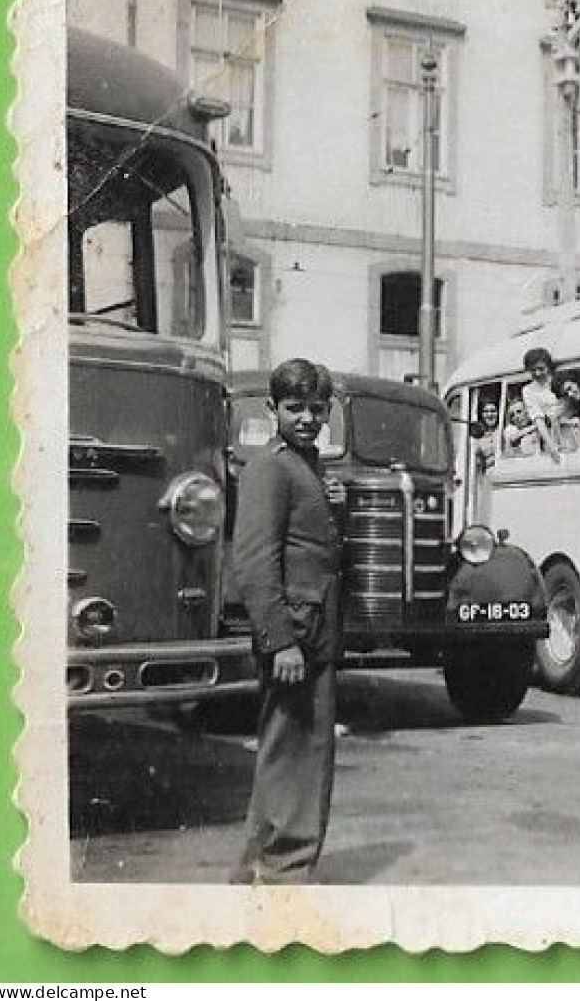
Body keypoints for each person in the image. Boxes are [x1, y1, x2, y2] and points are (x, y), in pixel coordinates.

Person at [231, 358, 345, 884]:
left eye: (316, 409)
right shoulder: (270, 468)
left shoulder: (303, 467)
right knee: (293, 753)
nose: (307, 417)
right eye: (295, 408)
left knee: (300, 752)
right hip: (295, 637)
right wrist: (280, 642)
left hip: (312, 633)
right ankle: (281, 875)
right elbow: (254, 561)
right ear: (272, 409)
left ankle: (261, 868)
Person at [519, 348, 563, 463]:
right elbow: (538, 419)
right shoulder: (528, 390)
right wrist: (551, 446)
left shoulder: (557, 380)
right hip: (549, 435)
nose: (537, 373)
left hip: (567, 428)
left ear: (548, 367)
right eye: (533, 370)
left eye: (541, 369)